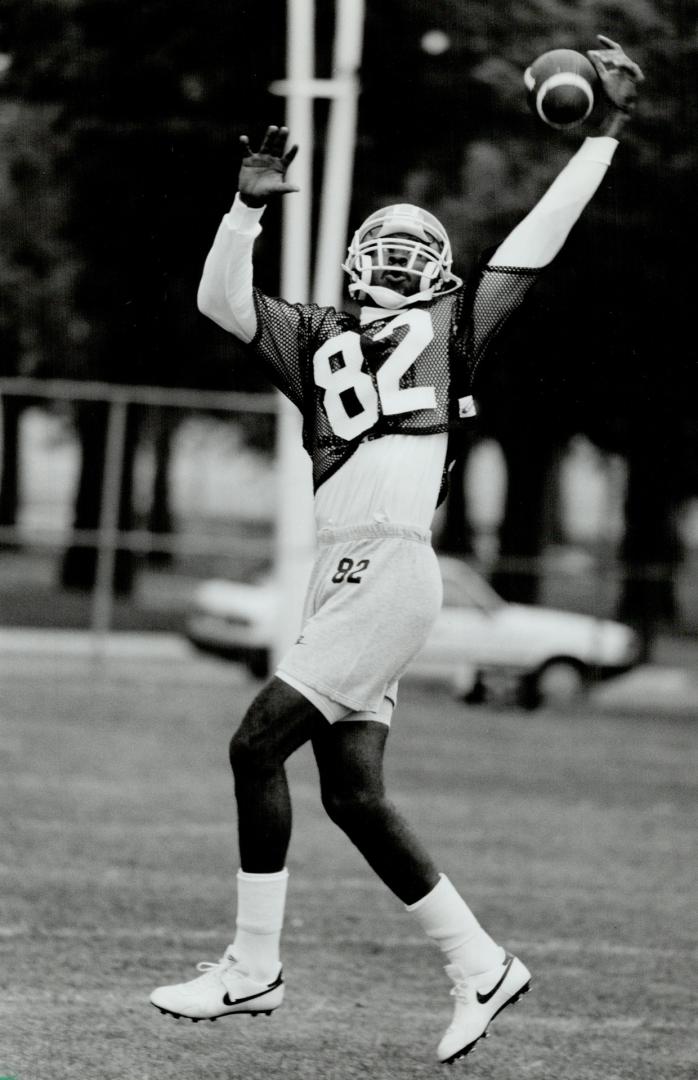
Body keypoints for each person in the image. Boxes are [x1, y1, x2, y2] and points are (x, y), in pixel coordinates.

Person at [150, 36, 643, 1064]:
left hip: (387, 563)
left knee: (253, 748)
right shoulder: (315, 332)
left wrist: (599, 137)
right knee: (351, 794)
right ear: (350, 262)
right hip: (340, 577)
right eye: (384, 248)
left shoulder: (451, 323)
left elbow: (531, 247)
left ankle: (252, 969)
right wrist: (244, 211)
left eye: (415, 253)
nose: (396, 263)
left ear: (437, 272)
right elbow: (217, 303)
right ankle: (479, 966)